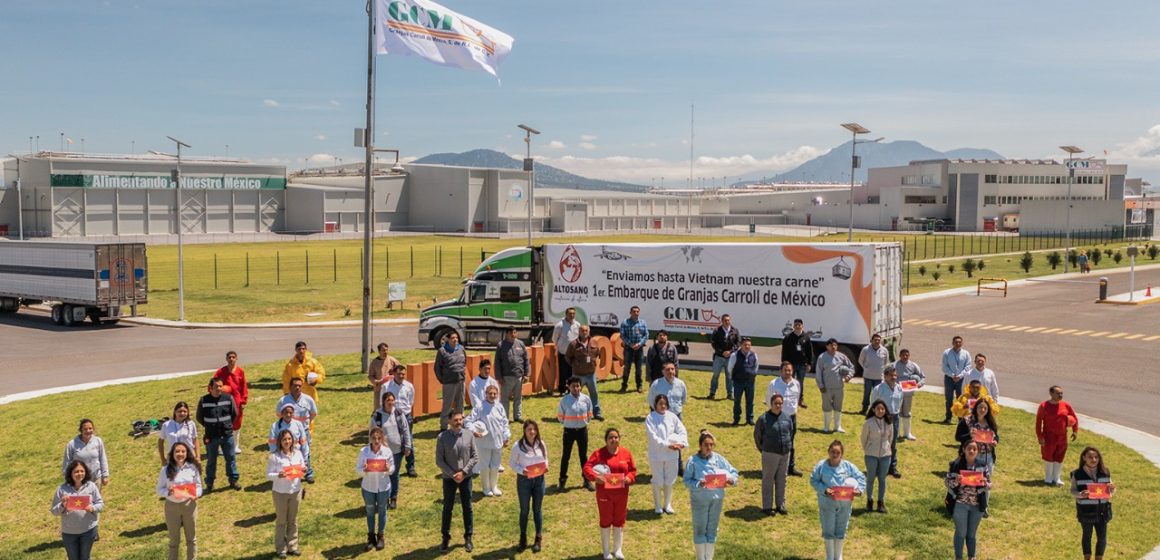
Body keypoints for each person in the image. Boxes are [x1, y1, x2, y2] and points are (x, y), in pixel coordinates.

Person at [683, 430, 738, 560]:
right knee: (700, 528)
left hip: (716, 500)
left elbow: (734, 472)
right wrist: (698, 484)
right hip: (699, 501)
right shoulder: (693, 461)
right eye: (706, 444)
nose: (709, 448)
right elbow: (686, 481)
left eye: (711, 445)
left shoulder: (718, 459)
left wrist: (732, 480)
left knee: (712, 529)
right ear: (700, 445)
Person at [584, 428, 637, 560]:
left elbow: (633, 470)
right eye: (610, 438)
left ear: (619, 439)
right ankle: (606, 551)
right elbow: (586, 468)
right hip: (604, 494)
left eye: (616, 437)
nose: (614, 440)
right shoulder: (598, 454)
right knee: (606, 520)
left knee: (619, 520)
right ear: (606, 440)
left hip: (622, 494)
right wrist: (595, 477)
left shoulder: (626, 453)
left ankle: (618, 549)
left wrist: (629, 478)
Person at [809, 440, 866, 560]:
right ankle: (829, 557)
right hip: (827, 503)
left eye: (838, 452)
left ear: (842, 454)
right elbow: (813, 480)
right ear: (828, 452)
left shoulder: (848, 466)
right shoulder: (821, 466)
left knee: (841, 527)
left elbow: (860, 477)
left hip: (844, 504)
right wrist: (825, 490)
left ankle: (838, 556)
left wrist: (859, 490)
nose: (835, 455)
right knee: (828, 528)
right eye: (832, 452)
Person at [435, 410, 478, 552]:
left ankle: (468, 537)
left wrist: (464, 472)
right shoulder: (442, 437)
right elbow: (439, 460)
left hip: (466, 477)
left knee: (468, 507)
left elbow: (474, 456)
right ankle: (445, 538)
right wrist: (453, 474)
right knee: (448, 508)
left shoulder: (469, 435)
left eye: (460, 419)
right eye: (455, 420)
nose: (458, 422)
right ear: (449, 421)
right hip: (449, 478)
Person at [945, 441, 992, 560]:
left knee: (971, 534)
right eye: (969, 448)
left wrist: (984, 483)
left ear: (977, 452)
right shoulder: (955, 464)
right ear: (964, 449)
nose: (971, 451)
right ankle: (959, 557)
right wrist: (957, 481)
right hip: (960, 503)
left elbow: (989, 484)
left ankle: (972, 557)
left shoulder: (982, 465)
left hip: (977, 505)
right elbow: (947, 482)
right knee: (961, 532)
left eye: (974, 449)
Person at [156, 441, 202, 560]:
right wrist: (168, 492)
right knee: (174, 540)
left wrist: (197, 494)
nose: (180, 454)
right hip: (171, 507)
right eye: (177, 451)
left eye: (183, 451)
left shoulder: (193, 468)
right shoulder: (165, 470)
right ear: (172, 454)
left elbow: (198, 485)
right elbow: (159, 489)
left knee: (191, 539)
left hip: (189, 505)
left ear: (187, 453)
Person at [510, 419, 550, 553]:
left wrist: (546, 466)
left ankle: (538, 538)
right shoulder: (518, 446)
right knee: (524, 510)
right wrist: (523, 471)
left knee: (537, 510)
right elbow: (512, 463)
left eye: (534, 429)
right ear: (524, 431)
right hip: (524, 481)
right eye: (529, 429)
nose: (532, 432)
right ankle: (523, 538)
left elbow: (545, 458)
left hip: (539, 480)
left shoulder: (541, 444)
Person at [369, 391, 413, 509]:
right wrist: (373, 449)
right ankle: (383, 499)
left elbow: (405, 430)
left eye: (392, 400)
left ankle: (393, 498)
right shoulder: (377, 415)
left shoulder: (398, 413)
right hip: (382, 452)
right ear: (383, 401)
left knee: (394, 475)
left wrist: (408, 446)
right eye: (388, 400)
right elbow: (372, 433)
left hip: (397, 451)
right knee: (382, 475)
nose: (391, 402)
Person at [645, 394, 688, 515]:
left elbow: (681, 430)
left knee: (670, 480)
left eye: (665, 403)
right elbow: (653, 436)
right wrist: (666, 445)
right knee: (658, 480)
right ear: (655, 405)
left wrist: (682, 443)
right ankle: (658, 505)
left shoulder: (673, 417)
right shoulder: (650, 418)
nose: (663, 406)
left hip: (672, 455)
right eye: (660, 403)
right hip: (657, 455)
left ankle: (667, 504)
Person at [52, 460, 104, 560]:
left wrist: (93, 508)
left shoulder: (91, 486)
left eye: (82, 471)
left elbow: (101, 504)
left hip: (88, 530)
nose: (80, 474)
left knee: (85, 557)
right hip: (69, 533)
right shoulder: (61, 489)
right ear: (70, 473)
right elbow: (54, 511)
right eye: (76, 471)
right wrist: (62, 505)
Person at [266, 429, 306, 558]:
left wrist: (304, 469)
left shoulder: (298, 453)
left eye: (289, 439)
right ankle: (280, 548)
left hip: (295, 491)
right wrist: (278, 475)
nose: (287, 441)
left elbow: (303, 466)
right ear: (280, 441)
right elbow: (268, 475)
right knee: (281, 521)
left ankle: (292, 546)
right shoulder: (275, 456)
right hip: (280, 493)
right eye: (284, 439)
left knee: (293, 520)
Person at [1070, 446, 1115, 560]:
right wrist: (1080, 494)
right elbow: (1072, 490)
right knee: (1087, 536)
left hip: (1103, 511)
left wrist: (1112, 489)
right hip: (1086, 512)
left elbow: (1111, 489)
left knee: (1102, 538)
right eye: (1090, 457)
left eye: (1096, 457)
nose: (1094, 459)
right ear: (1084, 458)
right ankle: (1087, 558)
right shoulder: (1077, 473)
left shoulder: (1105, 472)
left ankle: (1099, 558)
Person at [196, 377, 240, 492]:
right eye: (216, 387)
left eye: (221, 386)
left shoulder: (228, 398)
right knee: (211, 461)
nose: (219, 389)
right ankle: (209, 484)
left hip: (227, 435)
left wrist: (227, 425)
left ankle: (233, 480)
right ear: (211, 388)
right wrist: (209, 426)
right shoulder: (203, 401)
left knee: (230, 458)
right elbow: (199, 417)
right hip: (211, 437)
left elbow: (234, 414)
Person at [467, 384, 511, 497]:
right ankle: (486, 488)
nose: (492, 395)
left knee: (495, 465)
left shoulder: (500, 406)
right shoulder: (479, 406)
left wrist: (506, 437)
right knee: (485, 465)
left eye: (494, 393)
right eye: (490, 393)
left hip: (497, 442)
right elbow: (468, 421)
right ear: (486, 394)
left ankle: (494, 486)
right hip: (484, 443)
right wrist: (474, 431)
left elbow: (505, 423)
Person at [356, 427, 396, 553]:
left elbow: (392, 468)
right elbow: (357, 469)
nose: (376, 440)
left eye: (379, 438)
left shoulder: (387, 451)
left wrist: (388, 469)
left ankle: (381, 535)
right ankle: (371, 536)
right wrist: (364, 470)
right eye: (374, 438)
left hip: (383, 486)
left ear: (382, 438)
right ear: (370, 439)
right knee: (370, 511)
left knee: (382, 510)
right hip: (368, 487)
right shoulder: (364, 452)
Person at [755, 394, 794, 516]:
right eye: (776, 403)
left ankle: (780, 505)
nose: (778, 406)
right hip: (770, 453)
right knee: (768, 479)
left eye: (780, 403)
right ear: (770, 404)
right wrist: (764, 449)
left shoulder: (787, 418)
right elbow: (758, 436)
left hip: (784, 453)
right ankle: (767, 506)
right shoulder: (763, 419)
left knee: (782, 479)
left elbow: (791, 433)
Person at [557, 376, 596, 492]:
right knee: (566, 456)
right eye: (573, 386)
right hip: (569, 431)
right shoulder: (564, 401)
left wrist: (584, 423)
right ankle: (562, 480)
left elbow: (590, 413)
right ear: (569, 387)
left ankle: (587, 480)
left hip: (582, 431)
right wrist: (569, 424)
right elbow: (560, 417)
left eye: (578, 386)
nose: (576, 388)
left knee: (583, 456)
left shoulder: (586, 399)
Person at [765, 362, 804, 477]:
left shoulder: (796, 383)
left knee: (790, 443)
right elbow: (768, 400)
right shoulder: (774, 384)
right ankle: (776, 468)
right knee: (777, 443)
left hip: (791, 418)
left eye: (790, 371)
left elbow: (796, 398)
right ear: (780, 371)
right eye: (786, 370)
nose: (788, 373)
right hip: (778, 417)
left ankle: (790, 467)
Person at [1037, 385, 1080, 486]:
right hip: (1049, 436)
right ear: (1051, 394)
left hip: (1062, 436)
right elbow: (1038, 423)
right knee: (1048, 456)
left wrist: (1075, 430)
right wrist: (1040, 436)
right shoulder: (1043, 406)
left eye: (1061, 393)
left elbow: (1074, 417)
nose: (1060, 395)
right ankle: (1048, 478)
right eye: (1058, 393)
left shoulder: (1066, 405)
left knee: (1059, 456)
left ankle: (1056, 478)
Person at [955, 399, 999, 495]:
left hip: (987, 457)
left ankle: (983, 507)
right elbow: (957, 437)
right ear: (975, 408)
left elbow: (996, 436)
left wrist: (995, 441)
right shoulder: (966, 420)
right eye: (980, 407)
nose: (982, 410)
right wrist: (969, 435)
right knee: (969, 482)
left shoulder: (990, 422)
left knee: (985, 482)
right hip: (971, 456)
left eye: (985, 408)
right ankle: (966, 504)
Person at [383, 364, 417, 477]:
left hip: (406, 416)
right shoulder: (386, 386)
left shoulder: (409, 386)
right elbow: (381, 402)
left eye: (403, 374)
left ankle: (410, 466)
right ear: (393, 373)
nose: (401, 376)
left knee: (408, 440)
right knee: (391, 440)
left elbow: (411, 401)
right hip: (390, 416)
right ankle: (390, 466)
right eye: (399, 374)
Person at [870, 366, 904, 477]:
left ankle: (892, 468)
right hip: (882, 417)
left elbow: (900, 402)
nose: (894, 377)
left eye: (895, 375)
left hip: (894, 418)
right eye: (891, 375)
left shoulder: (899, 388)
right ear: (885, 376)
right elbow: (873, 404)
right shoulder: (878, 389)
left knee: (893, 444)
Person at [860, 400, 894, 513]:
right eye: (878, 408)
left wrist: (887, 449)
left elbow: (891, 438)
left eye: (883, 409)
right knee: (870, 478)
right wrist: (868, 449)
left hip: (885, 455)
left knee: (882, 479)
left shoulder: (889, 422)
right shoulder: (868, 423)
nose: (880, 411)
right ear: (873, 409)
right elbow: (863, 439)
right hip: (871, 455)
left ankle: (881, 502)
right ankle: (869, 500)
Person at [815, 339, 854, 434]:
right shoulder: (822, 357)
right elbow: (818, 372)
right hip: (826, 388)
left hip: (839, 387)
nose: (833, 347)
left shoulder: (841, 356)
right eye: (831, 345)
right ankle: (826, 427)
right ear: (827, 346)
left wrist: (848, 376)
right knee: (826, 407)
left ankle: (838, 426)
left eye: (835, 345)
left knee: (838, 407)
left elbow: (851, 367)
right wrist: (821, 385)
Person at [566, 324, 605, 421]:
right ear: (579, 332)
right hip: (578, 375)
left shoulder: (594, 342)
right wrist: (575, 365)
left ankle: (597, 413)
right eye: (582, 331)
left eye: (586, 330)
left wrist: (593, 362)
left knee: (594, 394)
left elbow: (597, 353)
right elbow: (567, 357)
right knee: (575, 394)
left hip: (591, 374)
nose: (584, 332)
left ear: (589, 331)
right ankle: (573, 412)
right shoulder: (573, 344)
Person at [213, 350, 249, 454]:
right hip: (223, 401)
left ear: (236, 358)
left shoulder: (240, 372)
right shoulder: (221, 371)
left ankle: (235, 446)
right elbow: (213, 384)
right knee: (223, 423)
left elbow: (244, 388)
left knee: (237, 424)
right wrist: (221, 389)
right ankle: (222, 447)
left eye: (233, 357)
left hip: (236, 402)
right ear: (226, 359)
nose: (231, 359)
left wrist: (243, 402)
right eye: (229, 357)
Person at [269, 402, 312, 487]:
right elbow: (272, 443)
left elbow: (303, 441)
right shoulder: (275, 426)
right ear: (282, 414)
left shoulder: (298, 424)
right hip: (283, 454)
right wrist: (277, 455)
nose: (288, 415)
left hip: (296, 453)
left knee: (295, 477)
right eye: (286, 413)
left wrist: (305, 456)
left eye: (290, 413)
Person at [495, 326, 530, 422]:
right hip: (506, 377)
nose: (513, 335)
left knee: (518, 398)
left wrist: (527, 374)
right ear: (507, 334)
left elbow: (526, 360)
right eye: (511, 333)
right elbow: (497, 362)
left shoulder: (521, 344)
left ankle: (517, 416)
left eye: (514, 333)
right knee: (504, 399)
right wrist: (499, 377)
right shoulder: (501, 345)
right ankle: (505, 417)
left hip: (519, 376)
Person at [62, 419, 109, 489]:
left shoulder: (98, 441)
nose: (88, 431)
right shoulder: (72, 444)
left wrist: (105, 475)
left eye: (90, 428)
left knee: (96, 500)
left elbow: (103, 458)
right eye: (85, 429)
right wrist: (68, 479)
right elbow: (67, 463)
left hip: (96, 479)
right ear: (81, 430)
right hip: (79, 481)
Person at [435, 332, 468, 432]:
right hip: (449, 382)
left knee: (460, 404)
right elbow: (437, 368)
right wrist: (443, 379)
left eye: (456, 338)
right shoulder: (442, 351)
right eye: (453, 338)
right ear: (448, 340)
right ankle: (444, 426)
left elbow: (464, 362)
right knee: (447, 405)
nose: (455, 340)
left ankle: (459, 424)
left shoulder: (461, 348)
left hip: (460, 381)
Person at [780, 318, 814, 409]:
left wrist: (809, 363)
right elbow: (784, 351)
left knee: (800, 382)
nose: (798, 327)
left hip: (802, 365)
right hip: (791, 365)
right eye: (796, 325)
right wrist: (784, 363)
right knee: (788, 381)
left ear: (802, 326)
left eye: (799, 325)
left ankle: (800, 399)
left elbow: (809, 351)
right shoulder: (788, 337)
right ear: (793, 326)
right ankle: (788, 397)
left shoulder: (806, 338)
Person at [893, 349, 925, 440]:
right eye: (903, 355)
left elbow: (922, 377)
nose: (905, 357)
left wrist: (919, 384)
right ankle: (897, 432)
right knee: (897, 412)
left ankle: (907, 433)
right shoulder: (894, 365)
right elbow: (888, 376)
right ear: (900, 355)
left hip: (908, 392)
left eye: (907, 355)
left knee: (907, 412)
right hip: (897, 392)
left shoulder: (913, 365)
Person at [727, 337, 759, 426]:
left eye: (749, 345)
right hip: (738, 382)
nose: (747, 346)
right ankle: (736, 419)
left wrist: (752, 374)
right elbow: (730, 368)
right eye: (745, 345)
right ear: (741, 345)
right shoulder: (734, 355)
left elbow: (756, 366)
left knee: (750, 401)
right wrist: (734, 377)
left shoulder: (754, 355)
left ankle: (750, 419)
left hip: (750, 382)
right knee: (737, 401)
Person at [708, 314, 740, 400]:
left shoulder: (735, 331)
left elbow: (737, 343)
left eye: (728, 320)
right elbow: (713, 343)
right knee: (715, 375)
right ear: (722, 321)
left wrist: (730, 351)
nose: (727, 322)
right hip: (719, 357)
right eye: (725, 320)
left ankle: (730, 394)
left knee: (729, 376)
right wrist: (722, 352)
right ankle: (712, 393)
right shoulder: (717, 331)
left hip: (730, 357)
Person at [619, 305, 649, 393]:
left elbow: (646, 335)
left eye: (637, 311)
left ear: (639, 313)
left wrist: (639, 344)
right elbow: (622, 335)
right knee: (627, 368)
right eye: (634, 311)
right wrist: (631, 344)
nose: (636, 313)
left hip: (639, 349)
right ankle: (624, 386)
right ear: (630, 312)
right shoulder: (625, 322)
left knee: (639, 368)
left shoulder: (643, 322)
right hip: (628, 348)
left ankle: (639, 386)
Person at [941, 335, 971, 423]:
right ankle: (948, 418)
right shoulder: (947, 353)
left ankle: (961, 418)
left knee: (961, 399)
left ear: (962, 343)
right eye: (956, 342)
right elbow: (944, 367)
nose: (958, 344)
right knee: (949, 399)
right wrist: (952, 375)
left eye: (960, 342)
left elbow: (968, 366)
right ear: (952, 343)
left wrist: (960, 376)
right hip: (949, 379)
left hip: (961, 379)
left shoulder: (966, 353)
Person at [857, 333, 889, 414]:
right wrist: (866, 368)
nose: (877, 341)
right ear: (871, 340)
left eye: (879, 340)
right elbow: (860, 360)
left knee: (877, 395)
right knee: (867, 393)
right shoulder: (865, 349)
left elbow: (886, 362)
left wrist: (881, 370)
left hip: (878, 377)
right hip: (868, 376)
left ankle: (875, 410)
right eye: (875, 340)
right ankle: (864, 409)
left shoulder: (884, 350)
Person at [552, 307, 581, 394]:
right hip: (563, 353)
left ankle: (571, 390)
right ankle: (562, 389)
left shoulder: (577, 325)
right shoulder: (560, 325)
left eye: (573, 314)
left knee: (572, 372)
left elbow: (579, 338)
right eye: (570, 314)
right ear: (566, 314)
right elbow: (554, 339)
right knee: (563, 372)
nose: (572, 315)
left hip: (574, 354)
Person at [368, 342, 401, 412]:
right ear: (379, 351)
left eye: (386, 350)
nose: (385, 352)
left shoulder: (392, 360)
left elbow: (400, 370)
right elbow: (370, 376)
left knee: (391, 407)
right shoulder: (374, 362)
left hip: (391, 389)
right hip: (379, 389)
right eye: (383, 350)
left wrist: (394, 374)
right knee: (378, 408)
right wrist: (376, 382)